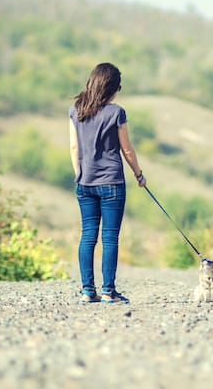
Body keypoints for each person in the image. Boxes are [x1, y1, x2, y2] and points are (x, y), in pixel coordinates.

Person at [69, 62, 146, 304]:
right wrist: (139, 174)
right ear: (111, 87)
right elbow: (127, 149)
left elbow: (74, 147)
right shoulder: (116, 113)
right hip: (112, 182)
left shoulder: (75, 109)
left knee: (88, 235)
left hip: (84, 182)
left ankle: (86, 291)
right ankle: (107, 292)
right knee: (110, 237)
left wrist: (81, 174)